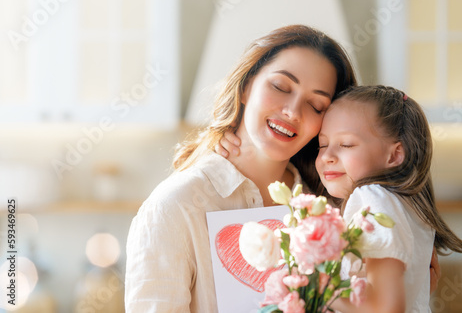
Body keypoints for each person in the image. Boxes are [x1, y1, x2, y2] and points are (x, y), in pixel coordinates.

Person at [124, 24, 357, 312]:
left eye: (316, 105)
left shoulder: (329, 211)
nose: (293, 112)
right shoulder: (176, 206)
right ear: (246, 86)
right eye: (280, 87)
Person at [313, 85, 462, 312]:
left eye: (346, 144)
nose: (327, 156)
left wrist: (317, 290)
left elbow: (386, 308)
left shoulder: (371, 200)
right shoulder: (409, 206)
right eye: (323, 144)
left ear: (395, 154)